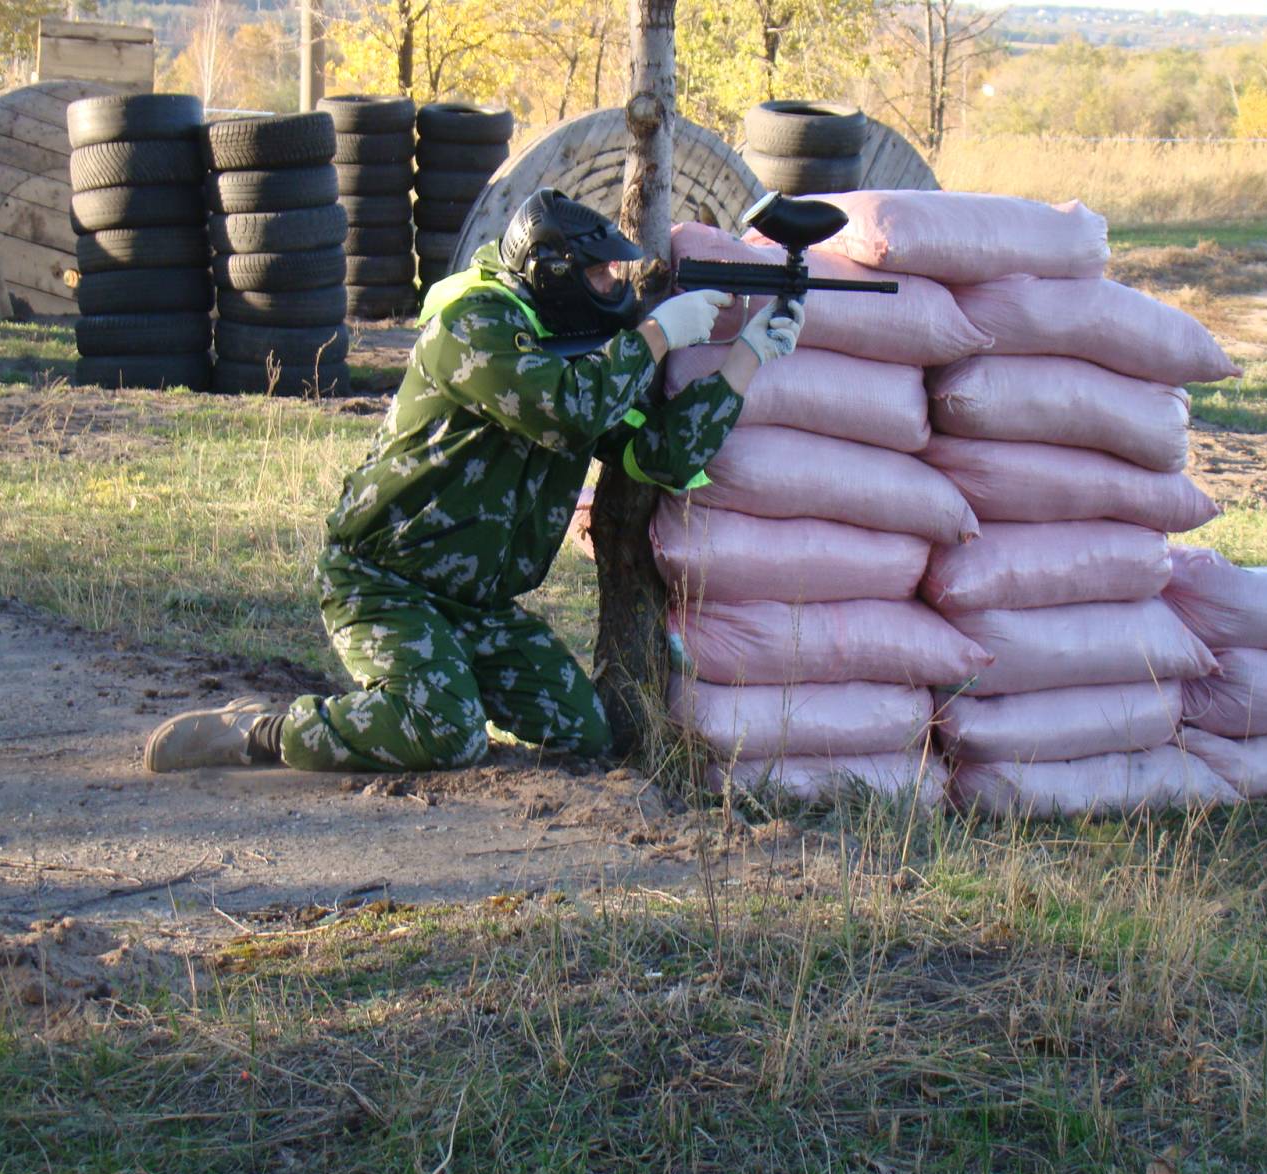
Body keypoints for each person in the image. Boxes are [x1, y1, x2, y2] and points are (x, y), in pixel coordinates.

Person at [144, 187, 803, 773]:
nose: (615, 286)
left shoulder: (581, 357)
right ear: (550, 273)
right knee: (447, 733)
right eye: (600, 274)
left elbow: (656, 455)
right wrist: (656, 335)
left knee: (586, 734)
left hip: (476, 607)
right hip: (382, 585)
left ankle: (440, 678)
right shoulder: (477, 326)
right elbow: (563, 411)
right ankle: (261, 733)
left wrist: (746, 359)